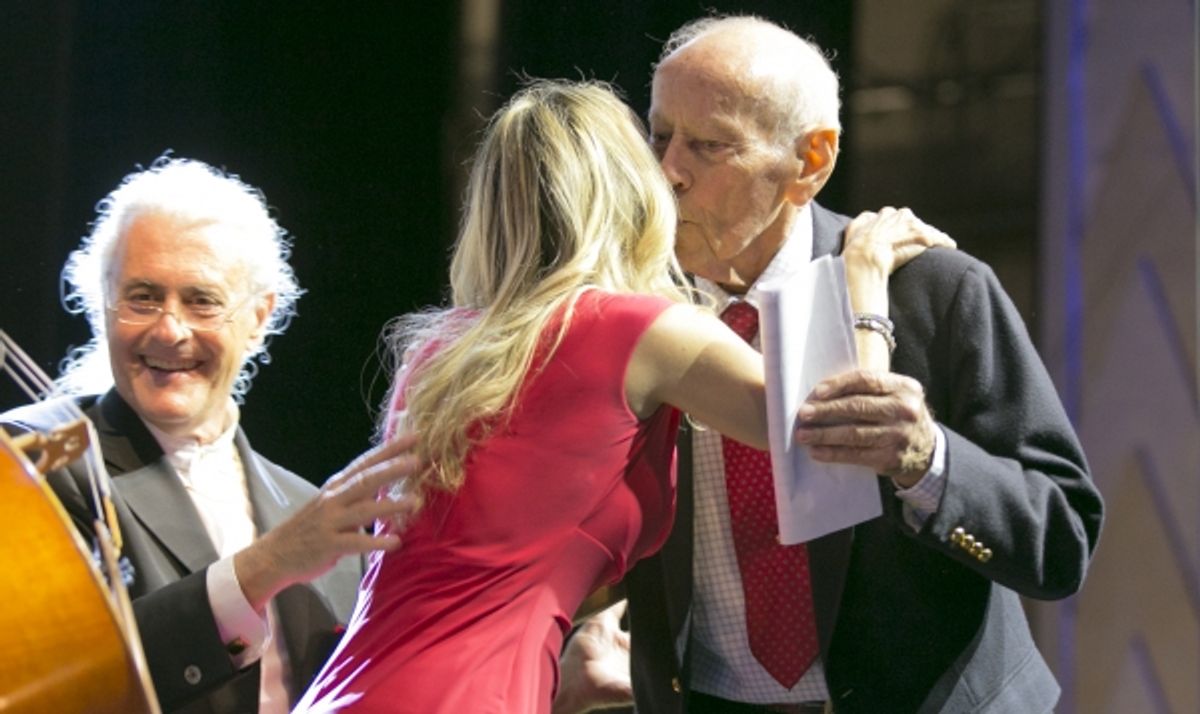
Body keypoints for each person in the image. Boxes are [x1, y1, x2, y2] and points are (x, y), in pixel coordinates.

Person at [291, 79, 949, 714]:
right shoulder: (633, 327)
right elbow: (841, 432)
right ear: (631, 191)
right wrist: (859, 274)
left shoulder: (438, 351)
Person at [554, 15, 1104, 714]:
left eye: (708, 146)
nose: (667, 174)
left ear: (810, 162)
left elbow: (1062, 538)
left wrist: (929, 461)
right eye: (659, 137)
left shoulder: (931, 290)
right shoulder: (623, 309)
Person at [0, 156, 420, 714]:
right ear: (102, 303)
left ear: (258, 318)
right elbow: (59, 682)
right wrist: (264, 566)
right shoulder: (32, 463)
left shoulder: (312, 515)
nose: (169, 329)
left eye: (201, 301)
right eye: (142, 296)